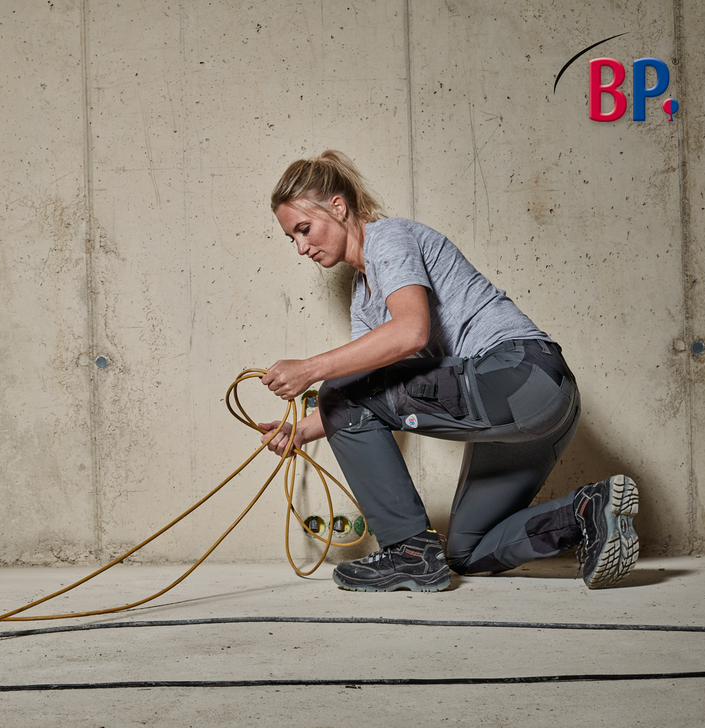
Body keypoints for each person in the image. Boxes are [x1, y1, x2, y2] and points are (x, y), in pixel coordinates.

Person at [257, 150, 639, 592]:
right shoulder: (363, 301)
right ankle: (586, 511)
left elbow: (412, 332)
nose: (302, 247)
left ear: (338, 207)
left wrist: (310, 369)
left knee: (336, 387)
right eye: (292, 239)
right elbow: (356, 395)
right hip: (533, 415)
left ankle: (409, 551)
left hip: (522, 374)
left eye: (304, 229)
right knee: (468, 551)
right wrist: (300, 432)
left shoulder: (388, 239)